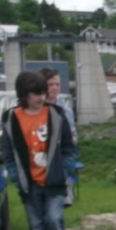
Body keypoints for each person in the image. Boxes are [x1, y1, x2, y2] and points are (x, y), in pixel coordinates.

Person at [0, 71, 76, 230]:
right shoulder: (10, 118)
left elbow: (69, 148)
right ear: (24, 94)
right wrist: (16, 177)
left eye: (43, 92)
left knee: (54, 221)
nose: (41, 97)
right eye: (36, 93)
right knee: (36, 227)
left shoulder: (57, 114)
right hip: (29, 184)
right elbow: (8, 152)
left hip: (54, 181)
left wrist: (64, 171)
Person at [39, 67, 77, 206]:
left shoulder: (65, 110)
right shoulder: (34, 109)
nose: (55, 88)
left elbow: (73, 137)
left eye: (57, 84)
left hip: (59, 162)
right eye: (50, 84)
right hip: (38, 163)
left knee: (57, 208)